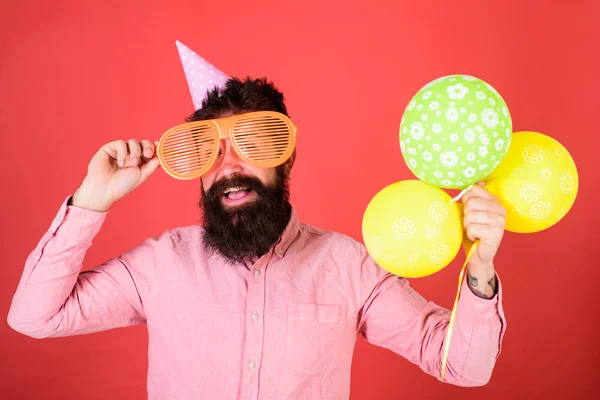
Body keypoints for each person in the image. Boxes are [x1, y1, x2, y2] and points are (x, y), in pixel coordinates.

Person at [7, 75, 507, 399]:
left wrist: (480, 267)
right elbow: (34, 316)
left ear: (285, 157)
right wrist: (94, 197)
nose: (230, 166)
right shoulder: (159, 265)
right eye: (209, 152)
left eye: (253, 144)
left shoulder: (346, 264)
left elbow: (463, 367)